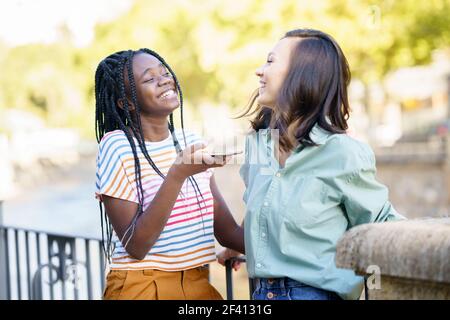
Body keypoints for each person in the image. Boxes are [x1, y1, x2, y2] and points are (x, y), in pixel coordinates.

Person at [218, 29, 406, 300]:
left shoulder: (341, 153)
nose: (259, 71)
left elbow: (380, 223)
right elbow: (264, 203)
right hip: (262, 294)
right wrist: (246, 245)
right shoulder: (258, 146)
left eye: (271, 61)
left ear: (302, 74)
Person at [94, 49, 244, 300]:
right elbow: (136, 245)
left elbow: (227, 232)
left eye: (164, 73)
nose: (164, 80)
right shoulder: (117, 147)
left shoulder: (190, 141)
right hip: (141, 286)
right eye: (149, 78)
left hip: (197, 283)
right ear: (127, 102)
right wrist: (177, 175)